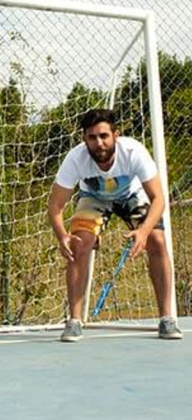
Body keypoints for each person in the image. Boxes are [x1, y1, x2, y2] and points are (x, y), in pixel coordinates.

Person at [47, 108, 183, 343]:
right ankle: (75, 321)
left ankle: (166, 318)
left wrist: (143, 231)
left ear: (115, 136)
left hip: (131, 194)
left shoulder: (134, 152)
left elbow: (158, 199)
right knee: (79, 244)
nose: (99, 143)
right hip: (94, 198)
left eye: (103, 136)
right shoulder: (75, 159)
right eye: (92, 137)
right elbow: (55, 206)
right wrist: (62, 237)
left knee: (157, 240)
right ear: (84, 139)